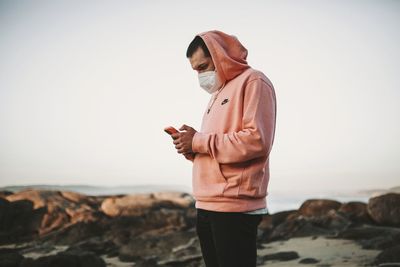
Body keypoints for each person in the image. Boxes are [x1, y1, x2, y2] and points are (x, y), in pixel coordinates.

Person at [171, 30, 277, 267]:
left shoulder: (254, 81)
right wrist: (192, 149)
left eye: (203, 66)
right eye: (195, 70)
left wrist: (199, 141)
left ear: (220, 56)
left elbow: (256, 141)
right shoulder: (217, 94)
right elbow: (217, 146)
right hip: (206, 203)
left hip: (234, 206)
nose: (200, 75)